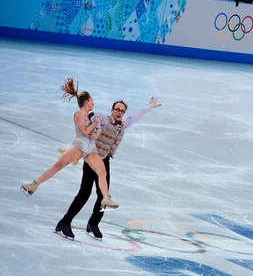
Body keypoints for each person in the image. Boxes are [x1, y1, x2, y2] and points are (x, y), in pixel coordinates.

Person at [55, 97, 161, 240]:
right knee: (84, 193)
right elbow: (94, 115)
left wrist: (149, 107)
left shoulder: (123, 123)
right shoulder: (105, 120)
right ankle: (64, 223)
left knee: (104, 196)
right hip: (92, 158)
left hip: (104, 160)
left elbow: (136, 116)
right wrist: (92, 117)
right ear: (112, 110)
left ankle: (93, 224)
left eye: (122, 111)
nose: (119, 112)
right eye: (117, 109)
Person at [21, 79, 119, 232]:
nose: (93, 103)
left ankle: (105, 198)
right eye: (92, 101)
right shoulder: (78, 115)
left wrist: (97, 131)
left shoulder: (92, 116)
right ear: (86, 102)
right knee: (59, 165)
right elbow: (85, 132)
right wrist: (94, 126)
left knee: (102, 171)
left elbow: (94, 131)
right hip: (80, 145)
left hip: (91, 148)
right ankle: (34, 184)